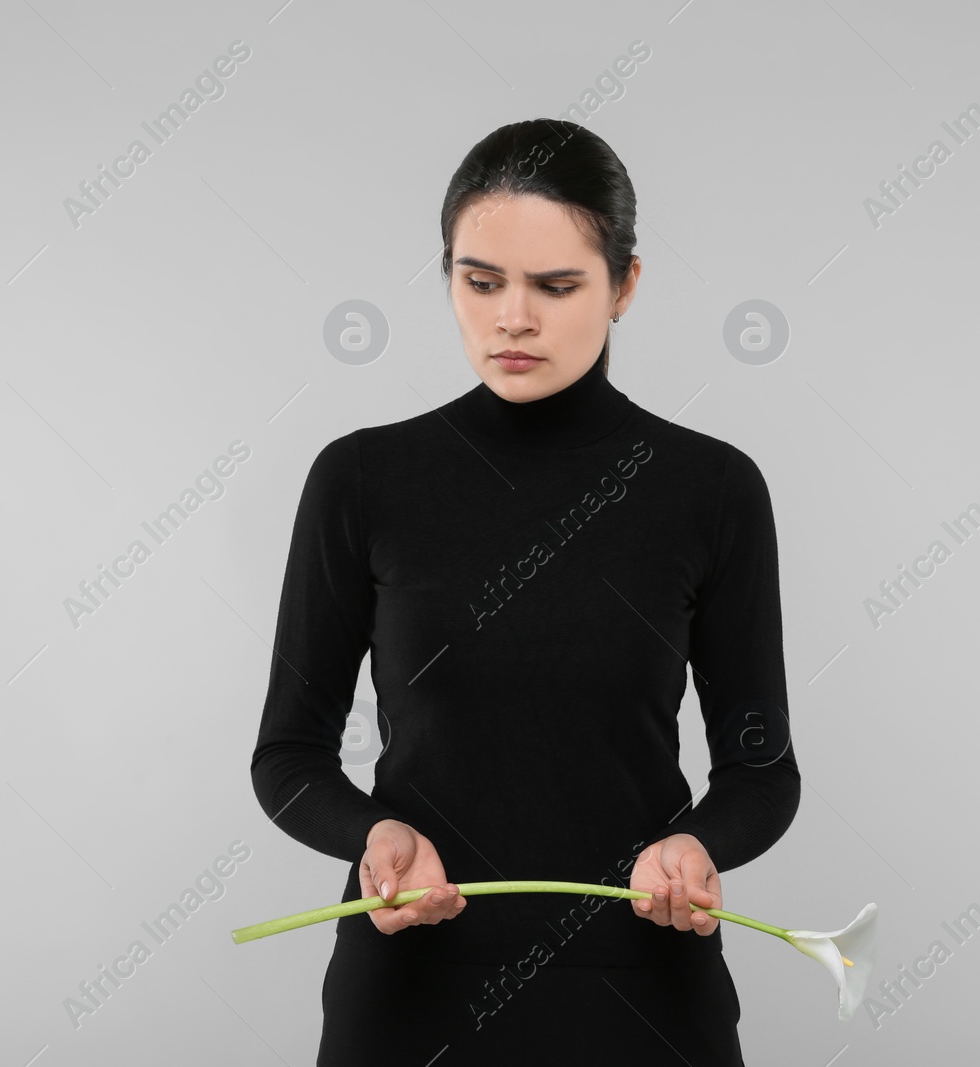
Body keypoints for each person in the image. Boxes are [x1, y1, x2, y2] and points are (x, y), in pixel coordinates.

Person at [251, 118, 800, 1065]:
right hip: (410, 992)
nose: (513, 317)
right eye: (481, 280)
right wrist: (373, 830)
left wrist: (699, 844)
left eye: (556, 285)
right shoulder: (361, 479)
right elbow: (289, 755)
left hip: (645, 992)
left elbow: (763, 770)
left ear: (625, 285)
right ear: (448, 278)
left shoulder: (710, 488)